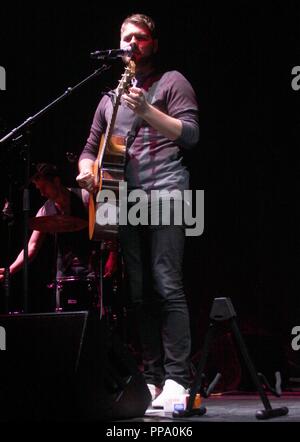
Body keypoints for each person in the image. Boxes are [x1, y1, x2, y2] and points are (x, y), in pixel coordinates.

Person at [76, 13, 199, 408]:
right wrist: (85, 172)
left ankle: (179, 379)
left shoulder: (172, 81)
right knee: (140, 292)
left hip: (167, 191)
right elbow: (88, 150)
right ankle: (152, 378)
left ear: (153, 44)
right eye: (125, 38)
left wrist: (147, 110)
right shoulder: (108, 101)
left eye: (140, 37)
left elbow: (191, 134)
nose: (132, 43)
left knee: (166, 283)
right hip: (123, 201)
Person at [0, 163, 117, 311]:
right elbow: (31, 247)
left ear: (56, 181)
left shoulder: (86, 197)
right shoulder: (45, 210)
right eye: (39, 189)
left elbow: (110, 229)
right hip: (64, 272)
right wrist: (10, 270)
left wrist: (113, 257)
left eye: (44, 188)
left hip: (94, 268)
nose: (42, 193)